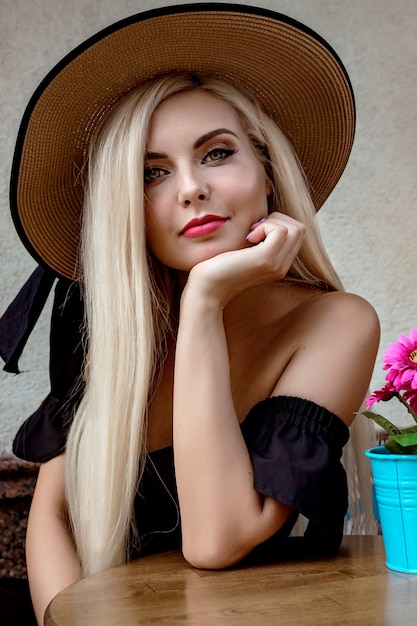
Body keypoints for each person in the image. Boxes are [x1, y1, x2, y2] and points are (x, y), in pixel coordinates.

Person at [0, 4, 380, 624]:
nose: (189, 189)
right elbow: (54, 514)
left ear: (268, 174)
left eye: (217, 153)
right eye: (152, 172)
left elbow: (216, 541)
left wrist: (204, 302)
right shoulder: (105, 321)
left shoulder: (337, 324)